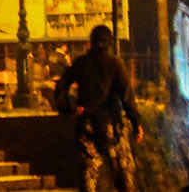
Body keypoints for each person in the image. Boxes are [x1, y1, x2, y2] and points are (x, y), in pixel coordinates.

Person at [53, 25, 144, 192]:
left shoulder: (81, 63)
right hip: (110, 124)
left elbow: (61, 85)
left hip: (86, 123)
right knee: (124, 173)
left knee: (89, 171)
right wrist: (136, 123)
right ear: (109, 43)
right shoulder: (115, 64)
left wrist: (70, 108)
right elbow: (126, 95)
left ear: (90, 42)